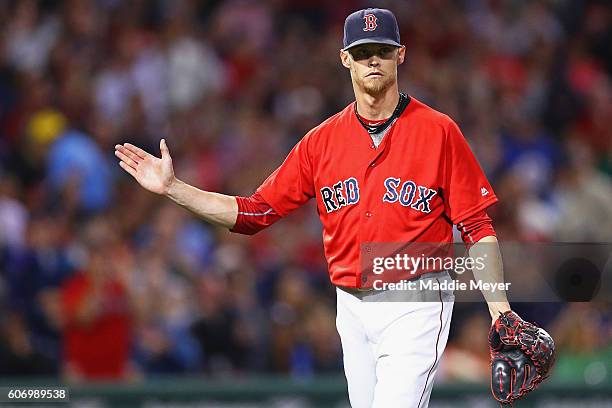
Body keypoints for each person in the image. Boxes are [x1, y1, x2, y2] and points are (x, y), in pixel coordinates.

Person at [115, 8, 512, 407]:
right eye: (362, 52)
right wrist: (173, 188)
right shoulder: (321, 142)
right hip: (350, 305)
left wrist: (500, 311)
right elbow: (253, 213)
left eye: (382, 50)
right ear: (345, 59)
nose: (372, 60)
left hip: (415, 298)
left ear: (400, 55)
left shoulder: (439, 131)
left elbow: (476, 226)